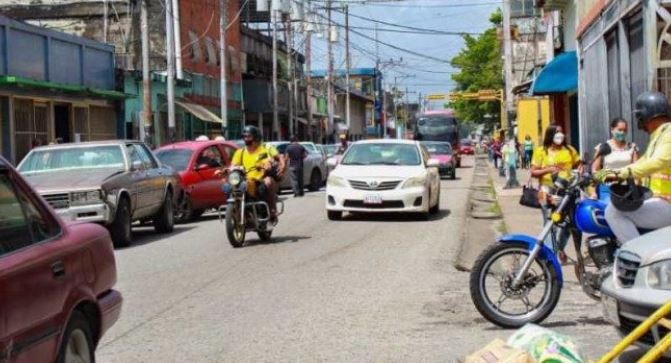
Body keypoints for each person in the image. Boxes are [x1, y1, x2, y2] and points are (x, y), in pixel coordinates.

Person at [597, 92, 671, 243]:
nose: (640, 123)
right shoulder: (659, 136)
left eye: (640, 117)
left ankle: (639, 259)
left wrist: (619, 174)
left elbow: (658, 162)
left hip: (667, 203)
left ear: (647, 115)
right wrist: (602, 174)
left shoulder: (668, 134)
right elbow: (641, 162)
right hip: (659, 200)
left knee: (613, 212)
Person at [531, 124, 580, 260]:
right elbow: (533, 172)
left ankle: (559, 247)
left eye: (562, 132)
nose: (560, 135)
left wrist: (580, 171)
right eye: (557, 132)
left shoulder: (569, 150)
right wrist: (548, 169)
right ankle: (550, 256)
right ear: (550, 134)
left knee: (569, 223)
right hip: (546, 191)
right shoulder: (541, 151)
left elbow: (579, 164)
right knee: (549, 224)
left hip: (566, 191)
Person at [223, 126, 286, 223]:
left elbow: (269, 160)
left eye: (249, 136)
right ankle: (237, 211)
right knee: (227, 185)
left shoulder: (263, 150)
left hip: (259, 180)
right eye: (245, 136)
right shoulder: (240, 152)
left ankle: (272, 210)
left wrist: (268, 165)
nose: (246, 139)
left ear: (256, 137)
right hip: (245, 180)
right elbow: (233, 165)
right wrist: (226, 170)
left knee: (269, 181)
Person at [591, 118, 639, 200]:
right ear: (612, 130)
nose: (622, 133)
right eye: (619, 130)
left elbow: (637, 170)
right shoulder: (603, 147)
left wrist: (636, 187)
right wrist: (594, 191)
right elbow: (595, 171)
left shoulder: (632, 147)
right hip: (607, 189)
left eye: (625, 130)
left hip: (626, 189)